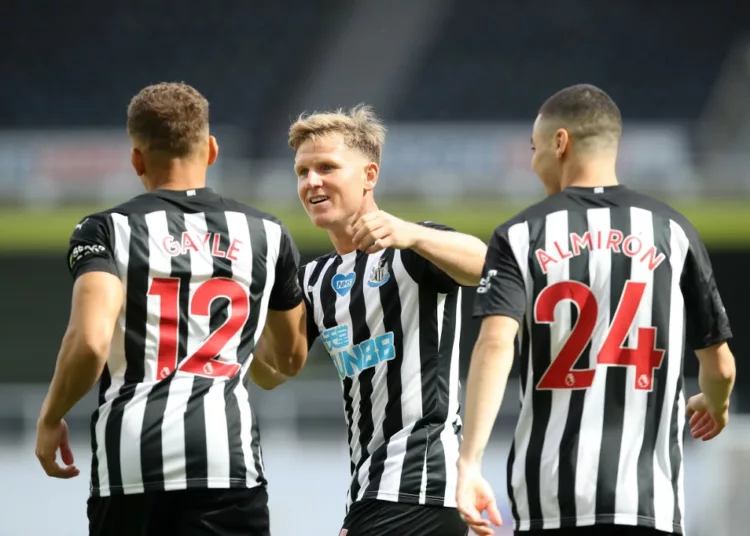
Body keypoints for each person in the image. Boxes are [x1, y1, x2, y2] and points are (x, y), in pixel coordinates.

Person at [456, 83, 736, 536]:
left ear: (560, 142)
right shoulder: (673, 231)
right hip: (650, 504)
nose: (532, 162)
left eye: (535, 148)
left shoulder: (520, 234)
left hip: (550, 500)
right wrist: (717, 405)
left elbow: (494, 343)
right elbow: (720, 367)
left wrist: (468, 463)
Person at [34, 82, 308, 536]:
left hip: (131, 463)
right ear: (212, 150)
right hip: (228, 462)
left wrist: (50, 418)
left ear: (136, 159)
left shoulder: (106, 230)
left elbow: (89, 341)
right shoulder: (267, 233)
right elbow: (290, 357)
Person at [260, 104, 487, 535]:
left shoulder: (413, 247)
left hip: (418, 480)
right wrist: (235, 326)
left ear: (369, 175)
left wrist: (413, 234)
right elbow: (274, 372)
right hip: (371, 487)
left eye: (327, 167)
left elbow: (488, 263)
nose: (312, 182)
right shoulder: (313, 279)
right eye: (302, 171)